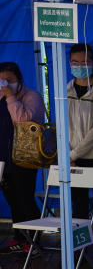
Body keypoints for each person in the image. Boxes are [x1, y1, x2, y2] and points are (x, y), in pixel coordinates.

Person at [0, 62, 45, 253]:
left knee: (25, 198)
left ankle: (34, 241)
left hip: (25, 156)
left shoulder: (31, 96)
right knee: (12, 200)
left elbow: (23, 121)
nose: (5, 85)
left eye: (9, 80)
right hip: (4, 157)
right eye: (2, 81)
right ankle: (19, 238)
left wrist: (11, 98)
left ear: (19, 79)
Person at [67, 43, 93, 219]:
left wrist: (73, 155)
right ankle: (78, 247)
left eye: (84, 62)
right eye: (75, 62)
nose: (80, 66)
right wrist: (68, 156)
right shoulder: (64, 91)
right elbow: (61, 125)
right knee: (78, 207)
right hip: (71, 159)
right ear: (69, 63)